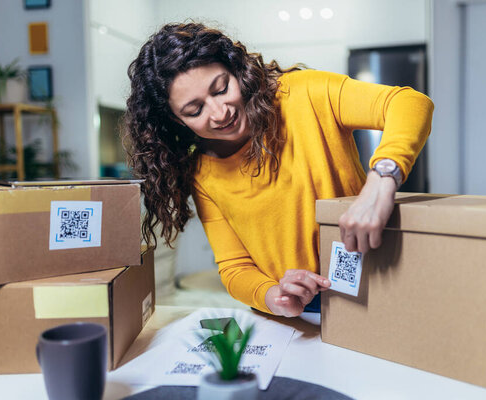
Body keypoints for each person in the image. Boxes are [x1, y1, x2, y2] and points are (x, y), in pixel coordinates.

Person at [124, 22, 434, 318]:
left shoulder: (304, 93)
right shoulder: (202, 173)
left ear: (236, 70)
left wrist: (382, 180)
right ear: (178, 121)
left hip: (374, 286)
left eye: (221, 89)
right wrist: (274, 295)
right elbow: (235, 268)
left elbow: (409, 103)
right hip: (290, 317)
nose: (220, 113)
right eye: (195, 110)